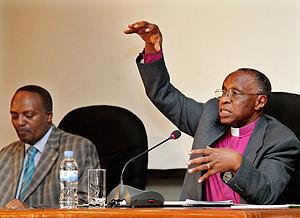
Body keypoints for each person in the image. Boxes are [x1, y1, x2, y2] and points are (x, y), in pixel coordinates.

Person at [124, 21, 300, 204]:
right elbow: (163, 94)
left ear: (259, 101)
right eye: (224, 92)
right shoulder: (209, 116)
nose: (224, 99)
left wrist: (237, 164)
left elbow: (267, 195)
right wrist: (152, 50)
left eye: (235, 93)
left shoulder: (281, 140)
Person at [0, 85, 100, 208]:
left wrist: (32, 213)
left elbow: (88, 204)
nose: (20, 122)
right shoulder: (5, 154)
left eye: (29, 115)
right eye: (14, 116)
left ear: (49, 117)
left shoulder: (79, 148)